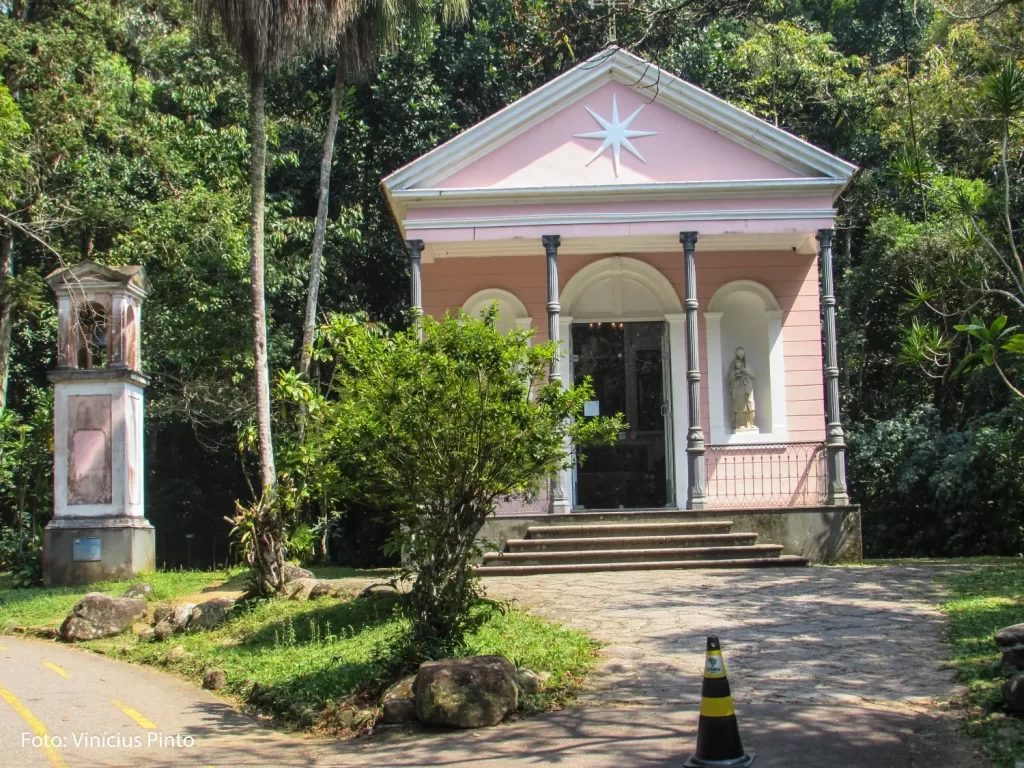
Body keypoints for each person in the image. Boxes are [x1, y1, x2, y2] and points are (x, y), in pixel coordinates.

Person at [728, 347, 756, 432]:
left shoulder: (747, 365)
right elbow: (729, 378)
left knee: (750, 404)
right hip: (738, 387)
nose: (740, 356)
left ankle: (750, 423)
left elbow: (753, 376)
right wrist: (735, 373)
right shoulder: (733, 365)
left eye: (742, 354)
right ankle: (740, 424)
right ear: (736, 355)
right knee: (739, 406)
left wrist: (746, 371)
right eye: (739, 354)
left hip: (747, 387)